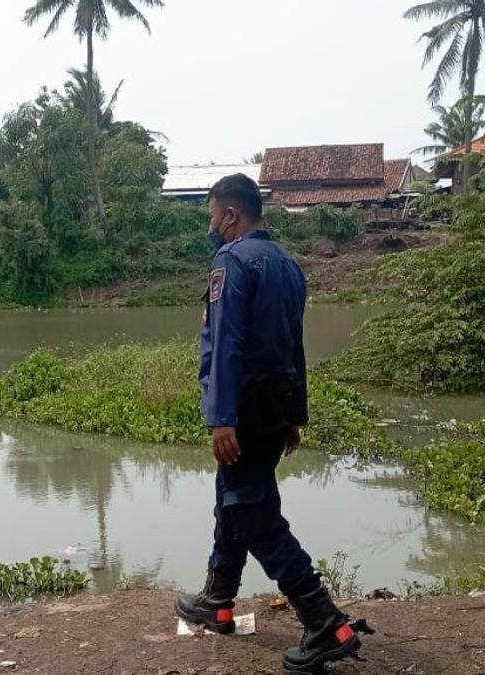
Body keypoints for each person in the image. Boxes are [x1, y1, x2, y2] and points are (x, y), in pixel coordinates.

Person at [174, 174, 366, 673]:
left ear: (231, 215)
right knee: (233, 498)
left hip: (245, 406)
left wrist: (221, 418)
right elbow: (293, 346)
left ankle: (323, 620)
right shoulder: (286, 263)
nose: (212, 226)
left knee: (251, 511)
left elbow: (226, 345)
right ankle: (217, 600)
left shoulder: (232, 262)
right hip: (275, 404)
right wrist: (294, 415)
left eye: (213, 217)